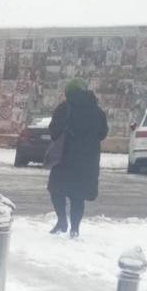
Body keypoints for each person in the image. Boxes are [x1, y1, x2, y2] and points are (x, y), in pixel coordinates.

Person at [47, 78, 108, 238]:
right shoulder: (98, 112)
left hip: (65, 159)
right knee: (78, 196)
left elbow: (54, 131)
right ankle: (75, 228)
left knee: (56, 190)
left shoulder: (65, 108)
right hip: (88, 161)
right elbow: (103, 133)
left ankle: (61, 221)